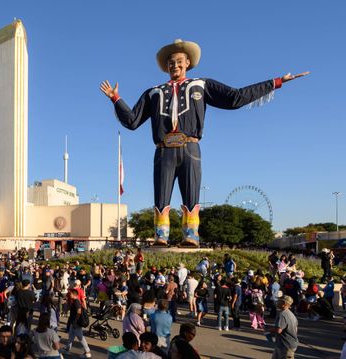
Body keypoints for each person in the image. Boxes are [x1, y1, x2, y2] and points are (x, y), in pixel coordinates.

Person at [101, 39, 307, 246]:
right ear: (166, 67)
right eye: (171, 62)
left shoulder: (201, 84)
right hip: (163, 150)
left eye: (179, 61)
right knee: (161, 195)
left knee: (192, 193)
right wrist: (116, 98)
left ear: (188, 63)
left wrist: (276, 82)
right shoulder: (154, 92)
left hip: (190, 147)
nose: (175, 65)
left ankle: (191, 235)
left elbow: (235, 97)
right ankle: (160, 236)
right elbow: (132, 120)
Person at [63, 289, 91, 358]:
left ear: (73, 294)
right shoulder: (74, 301)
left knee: (80, 337)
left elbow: (79, 311)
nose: (69, 294)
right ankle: (67, 348)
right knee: (71, 336)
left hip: (76, 323)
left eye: (70, 293)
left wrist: (75, 322)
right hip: (73, 322)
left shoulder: (76, 302)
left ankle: (87, 352)